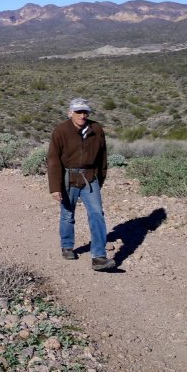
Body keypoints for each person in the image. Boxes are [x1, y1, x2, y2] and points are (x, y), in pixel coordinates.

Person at [47, 98, 115, 271]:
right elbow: (53, 160)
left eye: (85, 112)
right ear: (70, 113)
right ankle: (67, 246)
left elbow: (102, 157)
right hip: (68, 178)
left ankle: (99, 257)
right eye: (78, 112)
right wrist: (55, 187)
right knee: (67, 214)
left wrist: (100, 179)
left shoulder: (96, 129)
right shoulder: (60, 131)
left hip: (90, 179)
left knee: (97, 214)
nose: (82, 115)